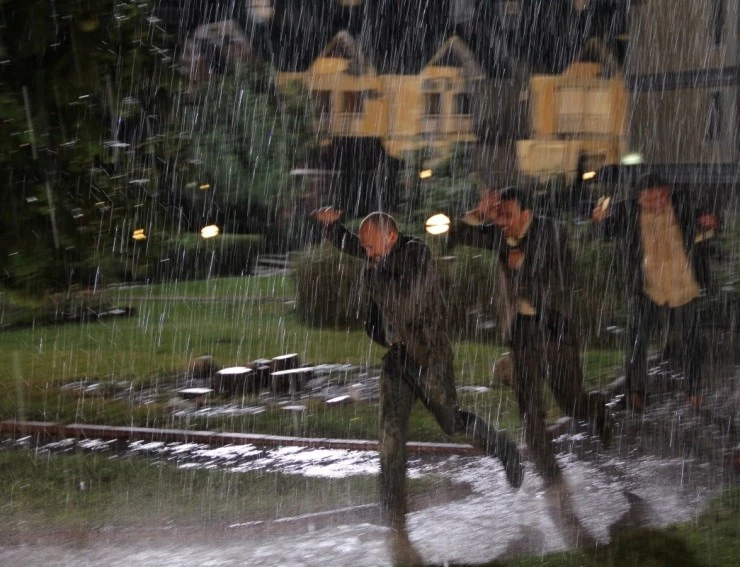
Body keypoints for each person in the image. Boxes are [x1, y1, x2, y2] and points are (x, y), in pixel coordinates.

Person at [311, 208, 523, 532]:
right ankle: (393, 510)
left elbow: (405, 302)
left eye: (370, 246)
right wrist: (332, 228)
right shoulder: (379, 254)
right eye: (364, 247)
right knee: (390, 436)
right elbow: (352, 244)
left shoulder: (416, 254)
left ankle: (503, 449)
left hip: (429, 356)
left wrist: (375, 273)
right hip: (398, 360)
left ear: (391, 236)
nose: (365, 252)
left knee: (452, 423)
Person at [478, 187, 612, 485]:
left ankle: (597, 410)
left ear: (526, 214)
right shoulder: (498, 234)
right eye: (498, 216)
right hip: (522, 331)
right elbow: (462, 234)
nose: (502, 222)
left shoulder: (551, 232)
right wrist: (480, 213)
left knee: (572, 402)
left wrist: (522, 267)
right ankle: (551, 476)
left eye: (507, 215)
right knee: (529, 410)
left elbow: (560, 278)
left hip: (554, 326)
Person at [592, 173, 717, 410]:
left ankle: (693, 389)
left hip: (683, 285)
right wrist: (599, 220)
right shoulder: (627, 212)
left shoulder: (685, 206)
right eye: (648, 200)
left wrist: (711, 222)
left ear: (667, 193)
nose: (655, 203)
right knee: (637, 340)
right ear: (639, 198)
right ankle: (636, 392)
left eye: (660, 197)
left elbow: (710, 220)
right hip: (648, 288)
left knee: (691, 340)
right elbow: (605, 232)